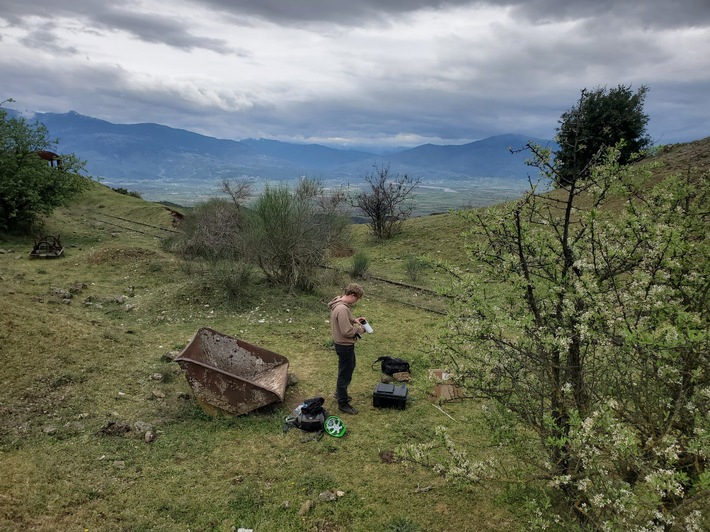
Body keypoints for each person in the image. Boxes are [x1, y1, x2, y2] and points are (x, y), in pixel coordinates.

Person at [328, 283, 366, 415]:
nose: (356, 302)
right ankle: (342, 403)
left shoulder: (338, 303)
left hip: (340, 344)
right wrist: (361, 329)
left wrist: (353, 320)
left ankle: (340, 393)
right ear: (351, 295)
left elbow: (342, 321)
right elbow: (347, 331)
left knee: (346, 369)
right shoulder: (342, 309)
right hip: (345, 346)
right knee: (345, 374)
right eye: (357, 298)